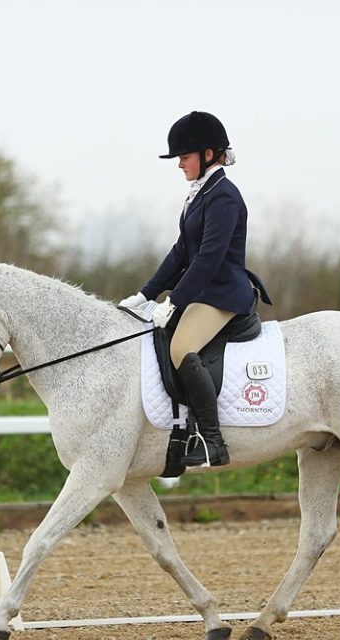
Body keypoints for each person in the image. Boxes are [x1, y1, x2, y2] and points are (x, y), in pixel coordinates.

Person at [119, 111, 272, 467]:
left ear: (206, 154)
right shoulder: (201, 193)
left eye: (183, 157)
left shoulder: (224, 197)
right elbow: (181, 253)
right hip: (205, 290)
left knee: (182, 348)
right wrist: (145, 294)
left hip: (223, 294)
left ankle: (213, 441)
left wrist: (174, 301)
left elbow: (208, 259)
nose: (179, 165)